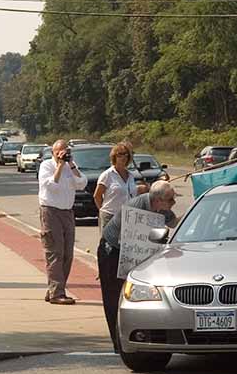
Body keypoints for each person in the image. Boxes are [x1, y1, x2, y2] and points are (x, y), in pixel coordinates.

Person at [98, 180, 178, 350]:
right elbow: (129, 238)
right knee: (114, 297)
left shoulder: (163, 209)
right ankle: (118, 343)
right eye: (170, 200)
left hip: (136, 254)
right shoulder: (136, 207)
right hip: (112, 249)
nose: (173, 203)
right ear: (158, 200)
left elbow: (173, 223)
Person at [38, 139, 87, 305]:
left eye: (66, 151)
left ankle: (55, 289)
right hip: (51, 212)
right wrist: (59, 165)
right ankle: (57, 293)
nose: (64, 154)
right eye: (60, 151)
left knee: (67, 254)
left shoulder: (70, 167)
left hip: (67, 212)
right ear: (53, 152)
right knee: (55, 252)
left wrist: (71, 165)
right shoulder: (46, 166)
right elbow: (51, 186)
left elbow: (82, 183)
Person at [93, 142, 138, 235]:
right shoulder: (107, 175)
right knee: (108, 246)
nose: (123, 157)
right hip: (110, 216)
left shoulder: (131, 176)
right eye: (120, 154)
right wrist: (104, 211)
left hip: (127, 217)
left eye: (126, 154)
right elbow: (97, 196)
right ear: (114, 156)